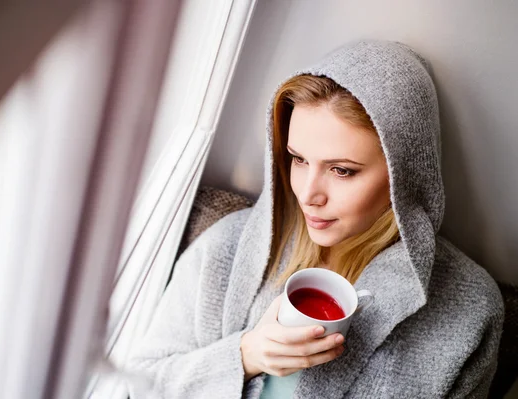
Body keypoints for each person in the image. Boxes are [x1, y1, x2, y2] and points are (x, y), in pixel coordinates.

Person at [127, 40, 504, 398]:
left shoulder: (468, 310)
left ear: (404, 175)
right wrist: (245, 356)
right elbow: (141, 384)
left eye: (341, 170)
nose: (308, 194)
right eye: (298, 159)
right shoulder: (224, 248)